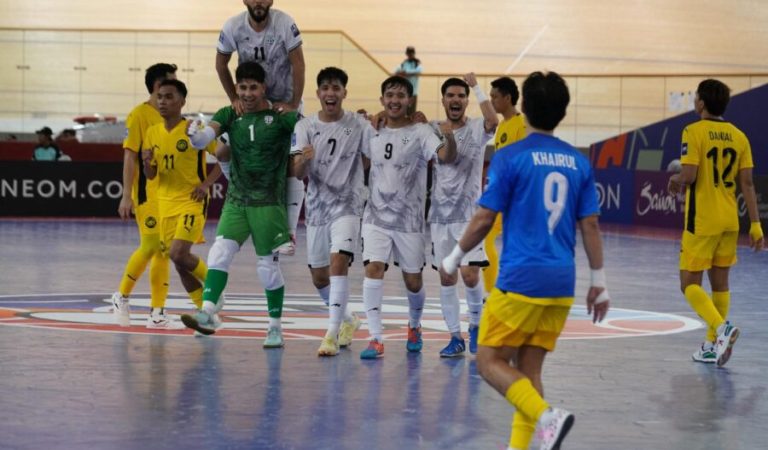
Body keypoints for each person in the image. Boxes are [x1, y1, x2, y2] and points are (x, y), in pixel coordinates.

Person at [441, 71, 610, 450]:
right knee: (528, 372)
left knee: (488, 362)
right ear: (562, 112)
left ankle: (547, 416)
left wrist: (454, 257)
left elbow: (484, 218)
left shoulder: (511, 157)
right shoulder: (578, 162)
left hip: (521, 280)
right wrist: (599, 282)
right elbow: (591, 226)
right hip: (561, 285)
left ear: (525, 108)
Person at [180, 61, 299, 348]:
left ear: (264, 88)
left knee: (267, 269)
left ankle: (275, 328)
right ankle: (208, 312)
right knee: (219, 253)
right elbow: (205, 139)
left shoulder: (280, 117)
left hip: (268, 203)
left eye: (253, 88)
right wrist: (194, 134)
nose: (247, 94)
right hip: (237, 200)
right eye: (242, 87)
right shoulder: (229, 113)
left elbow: (313, 130)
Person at [358, 75, 457, 360]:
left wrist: (448, 135)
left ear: (409, 101)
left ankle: (414, 325)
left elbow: (446, 157)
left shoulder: (421, 132)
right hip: (375, 217)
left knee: (413, 282)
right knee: (373, 268)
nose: (394, 100)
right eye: (390, 95)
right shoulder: (371, 130)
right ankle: (375, 337)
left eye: (400, 96)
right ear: (382, 100)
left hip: (409, 221)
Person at [667, 78, 763, 367]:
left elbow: (689, 176)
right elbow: (747, 184)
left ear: (701, 103)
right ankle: (711, 346)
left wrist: (675, 179)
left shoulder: (693, 131)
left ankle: (722, 329)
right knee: (720, 284)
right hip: (730, 220)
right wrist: (756, 225)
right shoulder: (739, 136)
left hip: (703, 220)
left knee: (688, 284)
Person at [216, 0, 306, 255]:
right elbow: (220, 64)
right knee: (222, 152)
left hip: (282, 106)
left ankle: (289, 230)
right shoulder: (233, 26)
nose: (258, 1)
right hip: (251, 103)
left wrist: (293, 104)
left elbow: (299, 64)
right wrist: (234, 97)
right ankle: (246, 191)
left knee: (292, 161)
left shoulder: (285, 23)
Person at [290, 67, 368, 356]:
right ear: (318, 93)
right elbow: (297, 173)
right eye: (325, 88)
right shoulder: (305, 126)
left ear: (344, 93)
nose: (330, 93)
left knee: (339, 262)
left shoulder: (358, 124)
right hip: (317, 209)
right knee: (319, 277)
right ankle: (348, 319)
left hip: (348, 206)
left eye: (336, 88)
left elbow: (370, 158)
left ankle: (331, 334)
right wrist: (303, 161)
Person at [428, 74, 498, 357]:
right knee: (447, 278)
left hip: (468, 217)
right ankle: (455, 336)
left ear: (466, 101)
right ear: (443, 100)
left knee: (469, 275)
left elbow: (493, 120)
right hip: (440, 218)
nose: (455, 100)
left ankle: (477, 326)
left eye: (460, 95)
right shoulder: (433, 129)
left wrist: (477, 88)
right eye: (450, 95)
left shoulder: (478, 127)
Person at [141, 80, 221, 318]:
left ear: (182, 101)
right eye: (159, 97)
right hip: (165, 204)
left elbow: (224, 158)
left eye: (169, 97)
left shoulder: (194, 129)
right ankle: (204, 311)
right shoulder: (152, 132)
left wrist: (206, 185)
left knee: (178, 254)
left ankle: (215, 288)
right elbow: (151, 175)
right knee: (179, 263)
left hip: (191, 201)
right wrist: (147, 163)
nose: (162, 102)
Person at [112, 63, 178, 329]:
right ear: (158, 85)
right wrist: (126, 195)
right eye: (172, 80)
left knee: (163, 251)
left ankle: (157, 313)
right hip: (145, 194)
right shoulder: (139, 115)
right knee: (152, 246)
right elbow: (130, 156)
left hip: (168, 196)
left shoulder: (171, 115)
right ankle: (121, 296)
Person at [482, 77, 526, 295]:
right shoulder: (502, 126)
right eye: (490, 97)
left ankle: (511, 292)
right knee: (484, 241)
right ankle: (493, 293)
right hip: (501, 195)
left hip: (515, 198)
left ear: (508, 98)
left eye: (495, 97)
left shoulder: (522, 125)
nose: (492, 101)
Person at [394, 46, 422, 117]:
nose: (410, 54)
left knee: (411, 113)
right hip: (404, 92)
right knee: (403, 111)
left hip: (413, 92)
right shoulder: (404, 63)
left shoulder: (417, 63)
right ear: (407, 54)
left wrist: (406, 73)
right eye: (409, 53)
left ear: (414, 53)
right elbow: (396, 71)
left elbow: (418, 71)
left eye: (411, 53)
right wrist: (402, 73)